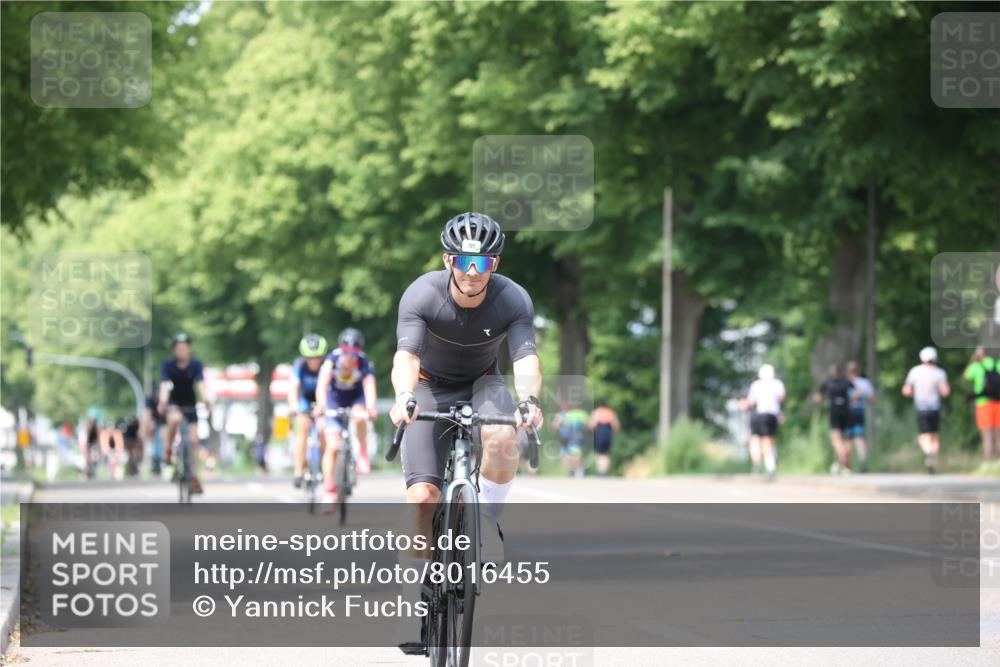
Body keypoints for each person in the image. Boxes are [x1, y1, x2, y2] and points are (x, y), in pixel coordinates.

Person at [388, 212, 543, 654]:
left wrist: (529, 401)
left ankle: (488, 521)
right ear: (448, 260)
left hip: (484, 382)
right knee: (422, 498)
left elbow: (525, 359)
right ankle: (409, 602)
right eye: (463, 261)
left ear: (494, 266)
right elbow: (406, 357)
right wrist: (404, 396)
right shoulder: (422, 293)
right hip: (429, 385)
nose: (472, 273)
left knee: (501, 436)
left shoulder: (513, 299)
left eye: (483, 263)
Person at [314, 328, 378, 507]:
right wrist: (320, 405)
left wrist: (371, 407)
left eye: (354, 354)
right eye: (347, 353)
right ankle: (329, 491)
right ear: (341, 349)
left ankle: (362, 451)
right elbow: (322, 384)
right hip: (334, 399)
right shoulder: (331, 360)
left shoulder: (364, 362)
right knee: (332, 447)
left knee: (359, 417)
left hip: (355, 398)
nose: (350, 358)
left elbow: (369, 385)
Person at [157, 332, 209, 494]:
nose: (182, 351)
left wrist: (206, 400)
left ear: (189, 349)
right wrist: (163, 402)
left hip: (190, 404)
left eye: (184, 347)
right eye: (178, 348)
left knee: (194, 441)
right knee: (173, 419)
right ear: (174, 350)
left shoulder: (196, 364)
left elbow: (201, 383)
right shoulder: (168, 365)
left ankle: (194, 476)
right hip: (174, 403)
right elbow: (165, 384)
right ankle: (168, 451)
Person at [288, 334, 329, 489]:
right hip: (305, 400)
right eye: (310, 358)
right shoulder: (299, 365)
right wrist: (293, 405)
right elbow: (293, 386)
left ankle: (327, 471)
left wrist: (324, 407)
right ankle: (298, 471)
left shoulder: (328, 365)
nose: (314, 361)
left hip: (323, 400)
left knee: (323, 430)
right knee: (302, 430)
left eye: (317, 357)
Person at [902, 346, 950, 474]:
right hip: (935, 407)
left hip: (921, 407)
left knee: (923, 435)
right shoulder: (939, 373)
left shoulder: (915, 371)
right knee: (934, 435)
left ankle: (928, 453)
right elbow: (945, 392)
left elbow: (906, 391)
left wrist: (912, 393)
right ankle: (933, 457)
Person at [744, 364, 785, 478]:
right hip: (771, 415)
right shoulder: (777, 384)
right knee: (768, 440)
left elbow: (750, 402)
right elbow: (782, 397)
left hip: (758, 415)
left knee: (755, 439)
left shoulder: (756, 385)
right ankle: (770, 466)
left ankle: (758, 463)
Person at [813, 364, 854, 474]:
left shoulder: (828, 384)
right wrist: (851, 402)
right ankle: (842, 465)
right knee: (846, 439)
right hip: (846, 411)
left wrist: (818, 400)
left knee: (836, 438)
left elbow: (818, 398)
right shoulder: (847, 382)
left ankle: (842, 455)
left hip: (834, 412)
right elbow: (857, 391)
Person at [963, 346, 1000, 460]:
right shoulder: (997, 363)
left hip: (983, 403)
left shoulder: (976, 366)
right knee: (998, 434)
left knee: (987, 435)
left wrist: (973, 360)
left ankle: (989, 461)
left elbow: (965, 377)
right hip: (998, 402)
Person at [845, 361, 875, 473]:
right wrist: (863, 397)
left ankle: (847, 464)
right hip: (859, 411)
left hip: (848, 412)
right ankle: (863, 461)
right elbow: (872, 399)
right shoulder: (865, 383)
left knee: (848, 439)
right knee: (859, 437)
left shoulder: (845, 382)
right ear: (858, 371)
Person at [553, 401, 588, 477]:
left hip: (570, 437)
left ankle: (573, 470)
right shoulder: (581, 413)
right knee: (573, 453)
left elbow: (558, 425)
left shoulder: (567, 414)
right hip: (575, 437)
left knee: (569, 453)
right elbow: (586, 425)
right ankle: (575, 470)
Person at [588, 400, 621, 477]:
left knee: (599, 453)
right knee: (606, 453)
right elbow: (616, 426)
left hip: (600, 434)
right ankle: (604, 471)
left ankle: (601, 470)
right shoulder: (610, 412)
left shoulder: (597, 412)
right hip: (608, 434)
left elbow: (592, 425)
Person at [141, 395, 166, 475]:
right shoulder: (150, 400)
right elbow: (147, 413)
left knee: (160, 440)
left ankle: (159, 461)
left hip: (163, 424)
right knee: (155, 441)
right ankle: (155, 461)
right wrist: (147, 426)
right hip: (154, 424)